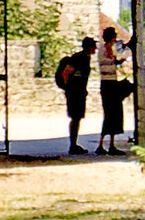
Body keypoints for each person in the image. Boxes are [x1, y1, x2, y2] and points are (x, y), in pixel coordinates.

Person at [53, 31, 95, 157]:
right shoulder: (79, 58)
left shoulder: (84, 57)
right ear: (90, 47)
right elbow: (66, 73)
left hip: (79, 92)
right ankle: (73, 145)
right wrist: (69, 88)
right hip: (75, 92)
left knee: (77, 118)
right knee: (75, 118)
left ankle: (74, 144)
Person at [95, 20, 133, 155]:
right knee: (111, 113)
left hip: (108, 83)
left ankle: (109, 143)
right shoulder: (106, 49)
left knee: (112, 114)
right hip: (108, 83)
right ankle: (104, 144)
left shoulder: (104, 49)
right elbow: (112, 58)